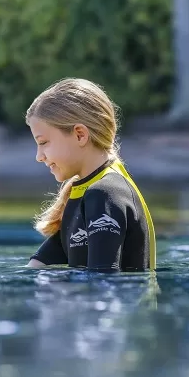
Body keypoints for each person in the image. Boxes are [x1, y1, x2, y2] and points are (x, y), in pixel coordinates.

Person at [25, 78, 156, 272]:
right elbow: (34, 269)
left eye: (43, 142)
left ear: (80, 135)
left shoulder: (105, 193)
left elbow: (102, 283)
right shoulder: (83, 193)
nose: (38, 156)